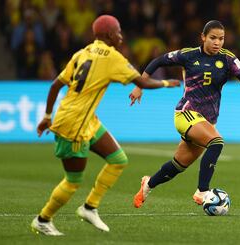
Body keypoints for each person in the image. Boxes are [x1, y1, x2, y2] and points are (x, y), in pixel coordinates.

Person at [30, 15, 179, 236]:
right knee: (73, 181)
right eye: (118, 31)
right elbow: (143, 82)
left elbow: (55, 85)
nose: (121, 35)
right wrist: (168, 82)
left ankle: (90, 207)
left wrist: (47, 115)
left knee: (118, 160)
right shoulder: (112, 57)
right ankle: (43, 220)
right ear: (109, 35)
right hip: (73, 125)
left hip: (84, 119)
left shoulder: (82, 52)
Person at [130, 20, 240, 209]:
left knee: (178, 165)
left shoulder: (228, 58)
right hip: (186, 113)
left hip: (206, 120)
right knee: (217, 142)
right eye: (213, 38)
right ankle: (202, 191)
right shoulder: (188, 55)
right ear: (203, 37)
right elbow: (158, 61)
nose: (217, 42)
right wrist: (140, 86)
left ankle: (148, 184)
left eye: (221, 39)